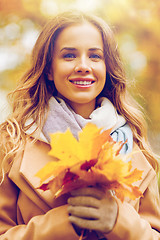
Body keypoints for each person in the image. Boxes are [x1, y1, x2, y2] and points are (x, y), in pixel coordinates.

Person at [0, 10, 160, 240]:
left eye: (95, 56)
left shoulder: (134, 143)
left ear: (107, 67)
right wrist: (63, 223)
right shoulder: (12, 143)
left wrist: (118, 221)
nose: (83, 66)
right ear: (48, 70)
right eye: (69, 56)